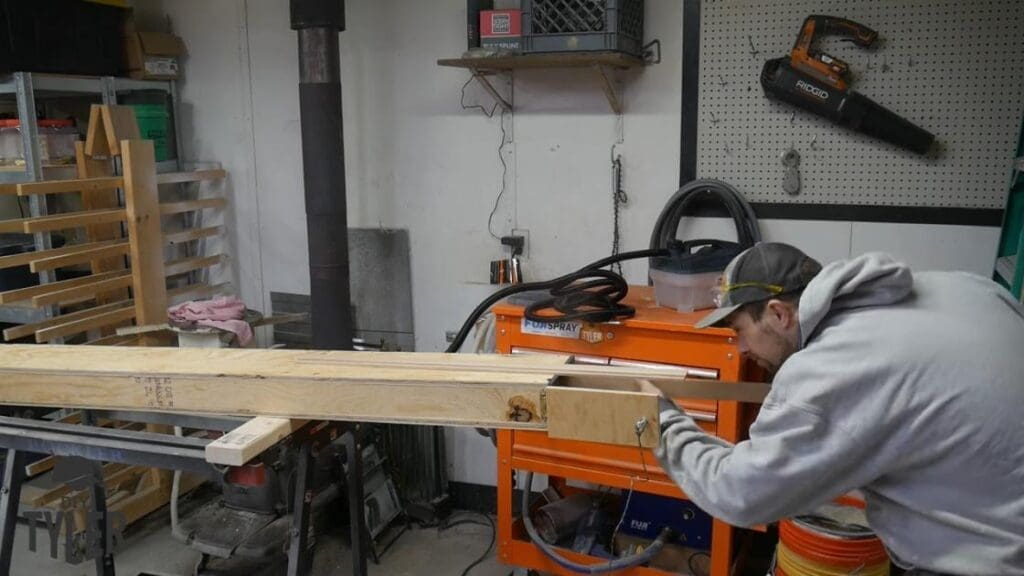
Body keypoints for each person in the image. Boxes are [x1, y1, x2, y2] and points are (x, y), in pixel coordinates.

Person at [640, 242, 1024, 575]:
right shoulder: (966, 287)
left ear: (778, 313)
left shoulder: (832, 367)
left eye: (740, 330)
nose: (741, 348)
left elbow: (739, 492)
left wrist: (662, 421)